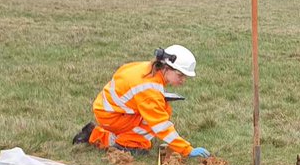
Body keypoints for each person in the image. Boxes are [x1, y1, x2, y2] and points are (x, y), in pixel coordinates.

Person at [72, 45, 210, 158]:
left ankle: (94, 134)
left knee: (159, 109)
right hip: (111, 116)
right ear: (166, 68)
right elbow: (160, 125)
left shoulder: (147, 67)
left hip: (109, 109)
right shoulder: (149, 89)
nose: (182, 80)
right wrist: (187, 149)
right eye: (180, 75)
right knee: (152, 124)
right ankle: (125, 145)